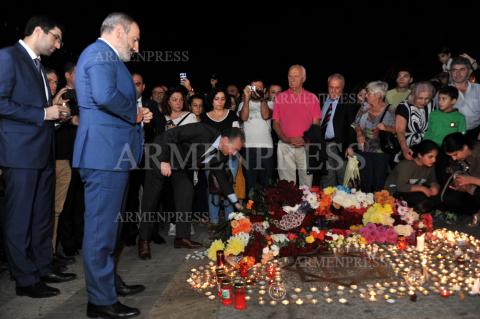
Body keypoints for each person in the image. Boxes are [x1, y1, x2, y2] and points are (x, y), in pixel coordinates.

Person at [73, 12, 152, 318]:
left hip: (112, 154)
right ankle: (100, 301)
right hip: (103, 154)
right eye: (134, 38)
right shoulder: (98, 54)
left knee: (111, 227)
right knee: (100, 231)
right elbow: (104, 96)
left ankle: (108, 281)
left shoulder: (107, 57)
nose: (136, 47)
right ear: (118, 31)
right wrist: (133, 115)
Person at [0, 15, 76, 299]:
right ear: (37, 31)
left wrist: (55, 116)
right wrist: (44, 113)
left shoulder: (38, 65)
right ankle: (25, 278)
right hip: (19, 155)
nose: (58, 45)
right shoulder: (7, 57)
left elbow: (37, 111)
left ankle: (44, 267)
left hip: (43, 151)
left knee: (41, 216)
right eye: (55, 37)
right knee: (19, 219)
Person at [272, 65, 321, 187]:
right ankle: (288, 206)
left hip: (306, 146)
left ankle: (306, 206)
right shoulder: (280, 97)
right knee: (287, 185)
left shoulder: (312, 98)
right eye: (290, 76)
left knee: (306, 184)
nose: (292, 79)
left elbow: (316, 124)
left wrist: (305, 139)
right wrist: (285, 139)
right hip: (285, 145)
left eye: (296, 76)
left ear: (303, 78)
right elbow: (275, 123)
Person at [351, 81, 395, 192]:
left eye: (368, 93)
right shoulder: (364, 108)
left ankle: (377, 208)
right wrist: (359, 133)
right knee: (364, 183)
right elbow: (355, 124)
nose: (366, 96)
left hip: (381, 152)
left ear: (378, 95)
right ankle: (364, 208)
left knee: (378, 184)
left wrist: (386, 128)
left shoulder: (391, 110)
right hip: (364, 150)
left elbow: (399, 130)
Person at [318, 73, 359, 187]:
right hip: (324, 145)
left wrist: (351, 146)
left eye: (337, 88)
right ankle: (327, 203)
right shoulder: (323, 100)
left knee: (344, 179)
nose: (333, 91)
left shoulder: (348, 101)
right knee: (327, 179)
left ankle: (346, 203)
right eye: (331, 87)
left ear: (342, 87)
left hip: (341, 146)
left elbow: (353, 125)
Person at [238, 80, 274, 195]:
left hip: (266, 147)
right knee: (250, 182)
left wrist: (262, 98)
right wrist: (246, 99)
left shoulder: (270, 103)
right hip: (249, 148)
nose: (256, 90)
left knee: (267, 183)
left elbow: (266, 115)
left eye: (259, 88)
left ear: (264, 90)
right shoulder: (242, 103)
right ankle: (250, 210)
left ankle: (269, 210)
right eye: (254, 88)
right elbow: (243, 117)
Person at [385, 139, 440, 213]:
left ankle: (423, 208)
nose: (434, 160)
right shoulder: (407, 165)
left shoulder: (430, 166)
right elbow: (400, 186)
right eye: (430, 157)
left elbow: (432, 180)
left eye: (435, 157)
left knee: (438, 198)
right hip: (396, 191)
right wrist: (422, 188)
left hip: (413, 191)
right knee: (421, 200)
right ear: (420, 155)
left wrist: (435, 187)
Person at [442, 132, 480, 227]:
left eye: (455, 154)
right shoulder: (461, 156)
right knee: (450, 198)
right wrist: (459, 182)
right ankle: (473, 211)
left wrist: (470, 181)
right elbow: (456, 170)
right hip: (472, 188)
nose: (454, 158)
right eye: (451, 156)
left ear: (465, 147)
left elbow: (470, 180)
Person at [395, 81, 435, 160]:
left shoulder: (432, 104)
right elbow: (400, 130)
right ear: (413, 95)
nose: (423, 101)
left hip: (427, 149)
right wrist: (405, 149)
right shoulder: (404, 106)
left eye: (427, 98)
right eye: (420, 98)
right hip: (409, 148)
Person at [449, 56, 480, 141]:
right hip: (454, 133)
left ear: (469, 72)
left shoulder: (478, 89)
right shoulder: (443, 92)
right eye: (454, 70)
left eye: (462, 70)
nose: (458, 73)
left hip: (476, 132)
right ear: (450, 72)